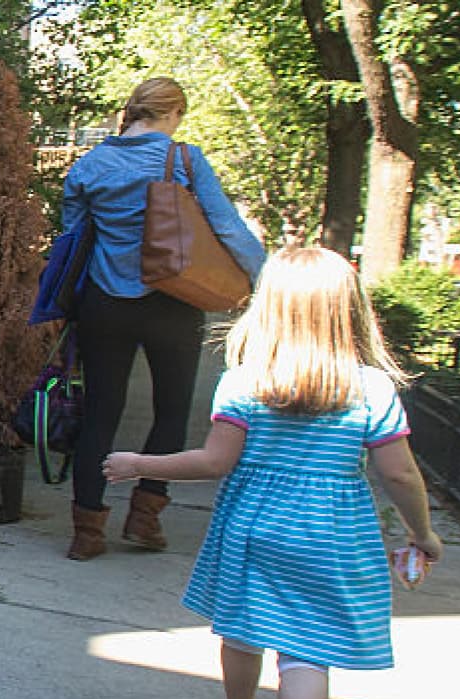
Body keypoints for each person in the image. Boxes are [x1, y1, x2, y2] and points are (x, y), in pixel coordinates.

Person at [102, 246, 443, 699]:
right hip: (331, 535)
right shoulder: (371, 387)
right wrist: (421, 533)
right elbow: (399, 472)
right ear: (349, 310)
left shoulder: (245, 382)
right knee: (307, 648)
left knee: (243, 629)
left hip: (253, 526)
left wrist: (140, 463)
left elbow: (214, 462)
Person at [61, 77, 266, 561]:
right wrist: (268, 282)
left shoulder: (88, 166)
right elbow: (227, 227)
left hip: (104, 302)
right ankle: (144, 518)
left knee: (100, 415)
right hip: (173, 300)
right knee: (171, 412)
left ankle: (87, 531)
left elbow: (72, 238)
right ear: (173, 113)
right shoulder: (185, 161)